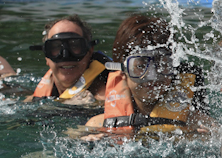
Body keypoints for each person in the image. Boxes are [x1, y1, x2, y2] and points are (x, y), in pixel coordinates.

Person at [84, 14, 213, 136]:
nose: (153, 75)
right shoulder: (98, 126)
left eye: (162, 64)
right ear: (122, 71)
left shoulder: (199, 124)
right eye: (140, 66)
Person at [27, 15, 111, 105]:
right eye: (56, 47)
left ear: (89, 51)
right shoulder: (38, 97)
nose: (65, 55)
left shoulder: (105, 97)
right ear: (47, 57)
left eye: (75, 46)